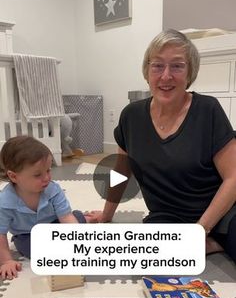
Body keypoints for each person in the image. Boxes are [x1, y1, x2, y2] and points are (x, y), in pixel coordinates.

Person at [88, 29, 236, 262]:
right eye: (158, 66)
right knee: (141, 257)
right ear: (147, 71)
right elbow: (121, 171)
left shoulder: (208, 109)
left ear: (190, 73)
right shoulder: (131, 116)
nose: (166, 76)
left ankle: (211, 242)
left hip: (222, 214)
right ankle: (209, 246)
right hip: (167, 218)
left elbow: (233, 177)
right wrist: (106, 215)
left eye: (177, 66)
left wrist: (200, 230)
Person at [0, 136, 93, 280]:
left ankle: (85, 218)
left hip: (54, 225)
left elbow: (66, 218)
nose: (46, 178)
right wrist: (6, 261)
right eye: (37, 175)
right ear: (13, 177)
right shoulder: (5, 202)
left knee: (77, 218)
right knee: (31, 248)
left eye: (48, 170)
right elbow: (1, 234)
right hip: (27, 235)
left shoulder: (53, 190)